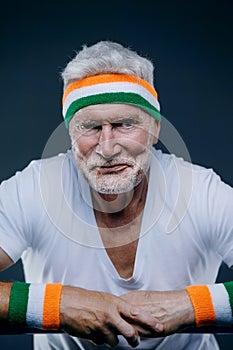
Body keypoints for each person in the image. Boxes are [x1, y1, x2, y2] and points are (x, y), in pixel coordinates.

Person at [0, 40, 232, 350]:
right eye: (90, 127)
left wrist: (190, 306)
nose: (107, 148)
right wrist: (58, 306)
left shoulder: (202, 192)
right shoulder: (34, 188)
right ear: (70, 134)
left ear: (154, 127)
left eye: (125, 124)